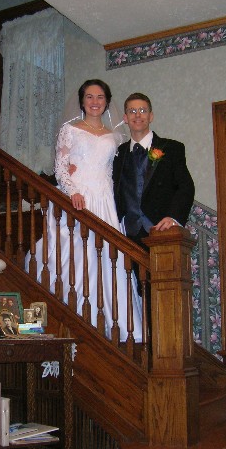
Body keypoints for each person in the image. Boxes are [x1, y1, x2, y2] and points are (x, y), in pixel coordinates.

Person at [27, 79, 142, 342]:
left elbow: (112, 172)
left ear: (106, 101)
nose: (94, 101)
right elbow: (60, 167)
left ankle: (118, 326)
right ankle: (76, 313)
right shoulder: (70, 130)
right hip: (78, 196)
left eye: (100, 97)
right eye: (89, 97)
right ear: (82, 101)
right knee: (78, 252)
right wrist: (73, 190)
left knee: (107, 258)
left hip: (104, 199)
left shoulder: (115, 136)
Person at [113, 92, 195, 249]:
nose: (137, 115)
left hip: (161, 231)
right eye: (132, 111)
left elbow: (186, 186)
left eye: (143, 110)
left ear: (151, 116)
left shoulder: (171, 148)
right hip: (127, 235)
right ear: (125, 118)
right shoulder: (119, 153)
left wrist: (173, 218)